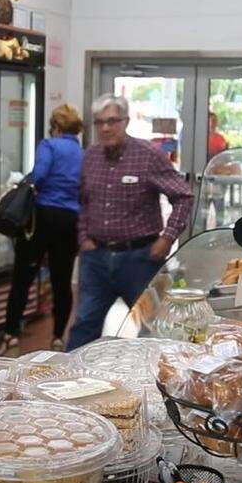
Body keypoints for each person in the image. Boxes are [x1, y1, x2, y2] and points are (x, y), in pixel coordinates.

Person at [67, 95, 195, 350]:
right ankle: (67, 383)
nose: (105, 128)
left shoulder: (149, 155)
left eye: (112, 121)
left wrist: (167, 237)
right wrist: (83, 237)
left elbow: (184, 196)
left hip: (140, 259)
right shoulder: (90, 157)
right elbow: (82, 200)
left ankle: (150, 384)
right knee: (84, 324)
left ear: (125, 121)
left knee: (152, 328)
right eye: (100, 122)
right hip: (96, 259)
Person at [0, 104, 84, 355]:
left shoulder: (49, 145)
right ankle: (58, 337)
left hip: (42, 219)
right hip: (70, 220)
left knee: (23, 277)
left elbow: (40, 176)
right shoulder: (82, 152)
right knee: (62, 280)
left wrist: (26, 180)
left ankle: (11, 335)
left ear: (55, 126)